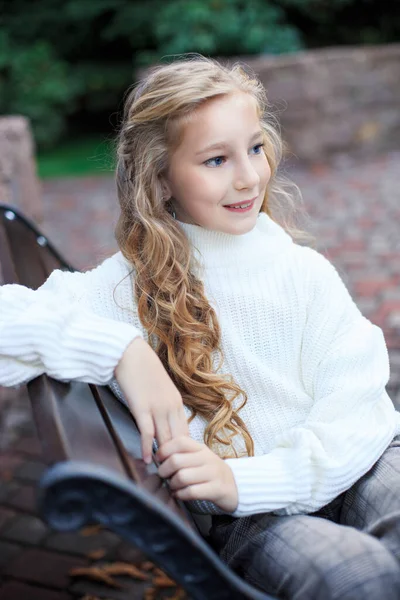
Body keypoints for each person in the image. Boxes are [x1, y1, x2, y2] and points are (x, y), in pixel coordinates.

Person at [1, 54, 400, 600]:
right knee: (357, 575)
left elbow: (356, 400)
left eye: (255, 148)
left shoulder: (299, 269)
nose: (249, 176)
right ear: (161, 178)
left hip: (357, 461)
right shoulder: (126, 288)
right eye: (216, 160)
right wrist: (122, 351)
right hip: (253, 518)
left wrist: (256, 477)